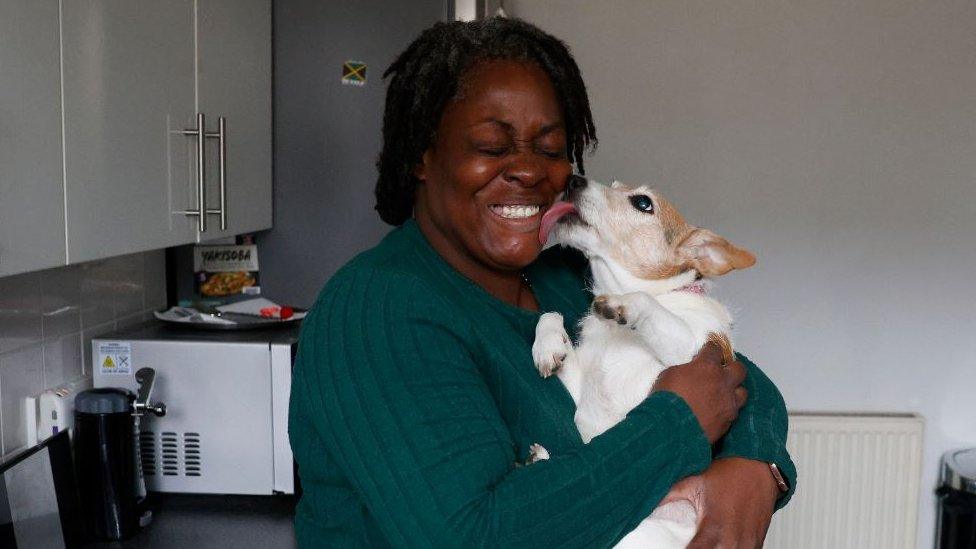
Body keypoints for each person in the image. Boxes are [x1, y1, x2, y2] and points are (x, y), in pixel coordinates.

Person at [289, 17, 795, 548]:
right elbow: (471, 536)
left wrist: (755, 469)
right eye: (491, 145)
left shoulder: (566, 273)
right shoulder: (375, 313)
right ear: (423, 154)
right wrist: (677, 425)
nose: (530, 171)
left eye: (551, 150)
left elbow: (736, 377)